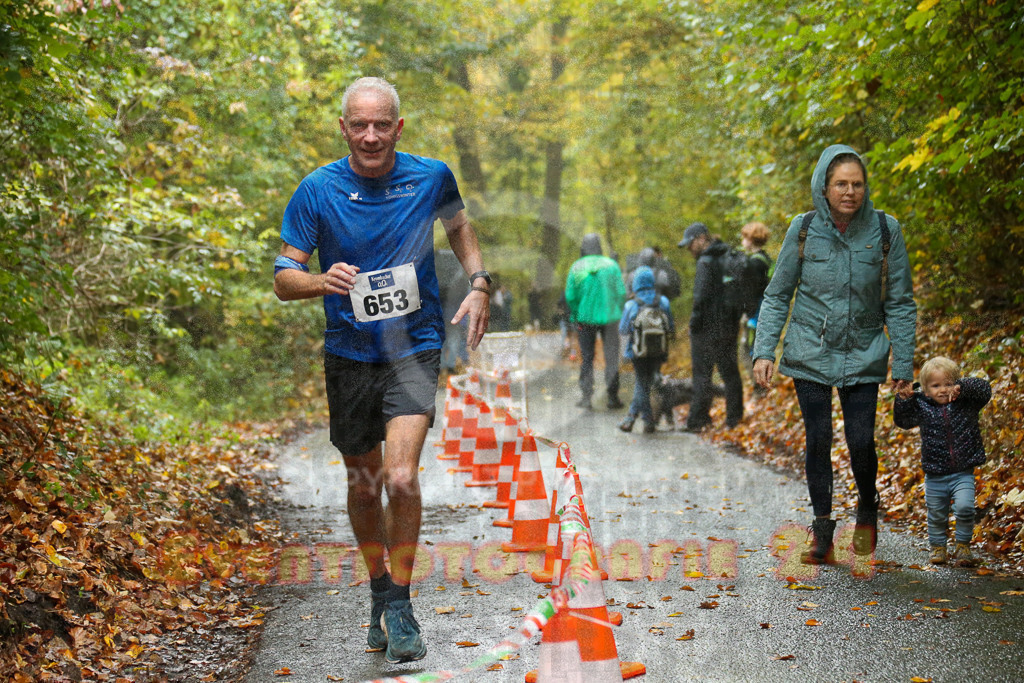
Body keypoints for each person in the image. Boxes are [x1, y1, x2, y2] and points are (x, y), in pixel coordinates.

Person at [273, 77, 490, 663]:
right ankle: (377, 588)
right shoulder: (317, 190)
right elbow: (282, 278)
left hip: (413, 348)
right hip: (348, 356)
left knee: (399, 477)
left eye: (382, 124)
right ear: (343, 128)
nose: (371, 135)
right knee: (364, 483)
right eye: (359, 124)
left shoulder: (432, 176)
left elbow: (459, 226)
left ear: (399, 127)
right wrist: (322, 280)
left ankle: (400, 599)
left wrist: (478, 282)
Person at [752, 144, 917, 565]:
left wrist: (903, 362)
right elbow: (777, 295)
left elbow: (899, 301)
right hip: (810, 348)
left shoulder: (885, 229)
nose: (849, 192)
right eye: (841, 184)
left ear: (865, 188)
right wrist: (763, 351)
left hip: (864, 349)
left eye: (856, 184)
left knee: (861, 441)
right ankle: (822, 527)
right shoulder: (803, 229)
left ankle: (866, 506)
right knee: (818, 438)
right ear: (824, 187)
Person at [894, 356, 991, 567]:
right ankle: (938, 547)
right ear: (926, 390)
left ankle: (963, 546)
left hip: (962, 471)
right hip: (935, 474)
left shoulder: (966, 402)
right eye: (936, 385)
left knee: (965, 508)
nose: (943, 390)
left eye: (948, 384)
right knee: (937, 514)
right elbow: (903, 421)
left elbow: (984, 389)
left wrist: (962, 387)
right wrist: (903, 399)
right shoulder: (922, 406)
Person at [678, 222, 744, 431]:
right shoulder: (727, 256)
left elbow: (701, 298)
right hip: (729, 326)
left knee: (702, 374)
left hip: (707, 328)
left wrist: (693, 324)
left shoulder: (705, 262)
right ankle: (734, 418)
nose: (689, 248)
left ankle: (699, 420)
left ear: (701, 238)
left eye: (690, 243)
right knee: (730, 373)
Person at [565, 233, 627, 410]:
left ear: (583, 247)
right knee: (612, 358)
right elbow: (621, 293)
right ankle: (613, 398)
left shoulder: (577, 267)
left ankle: (586, 398)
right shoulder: (612, 265)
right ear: (599, 246)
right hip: (610, 319)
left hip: (585, 319)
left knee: (587, 357)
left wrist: (576, 314)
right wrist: (618, 309)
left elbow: (571, 296)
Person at [617, 266, 674, 433]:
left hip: (638, 351)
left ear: (635, 284)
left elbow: (623, 330)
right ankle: (638, 419)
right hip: (658, 352)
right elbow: (670, 326)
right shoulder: (663, 301)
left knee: (642, 383)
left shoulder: (631, 305)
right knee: (647, 383)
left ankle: (640, 419)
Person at [739, 222, 773, 396]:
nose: (742, 240)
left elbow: (751, 292)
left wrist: (746, 314)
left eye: (744, 237)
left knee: (748, 351)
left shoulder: (754, 263)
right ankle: (761, 385)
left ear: (751, 239)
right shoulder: (765, 259)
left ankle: (759, 387)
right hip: (763, 311)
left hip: (755, 314)